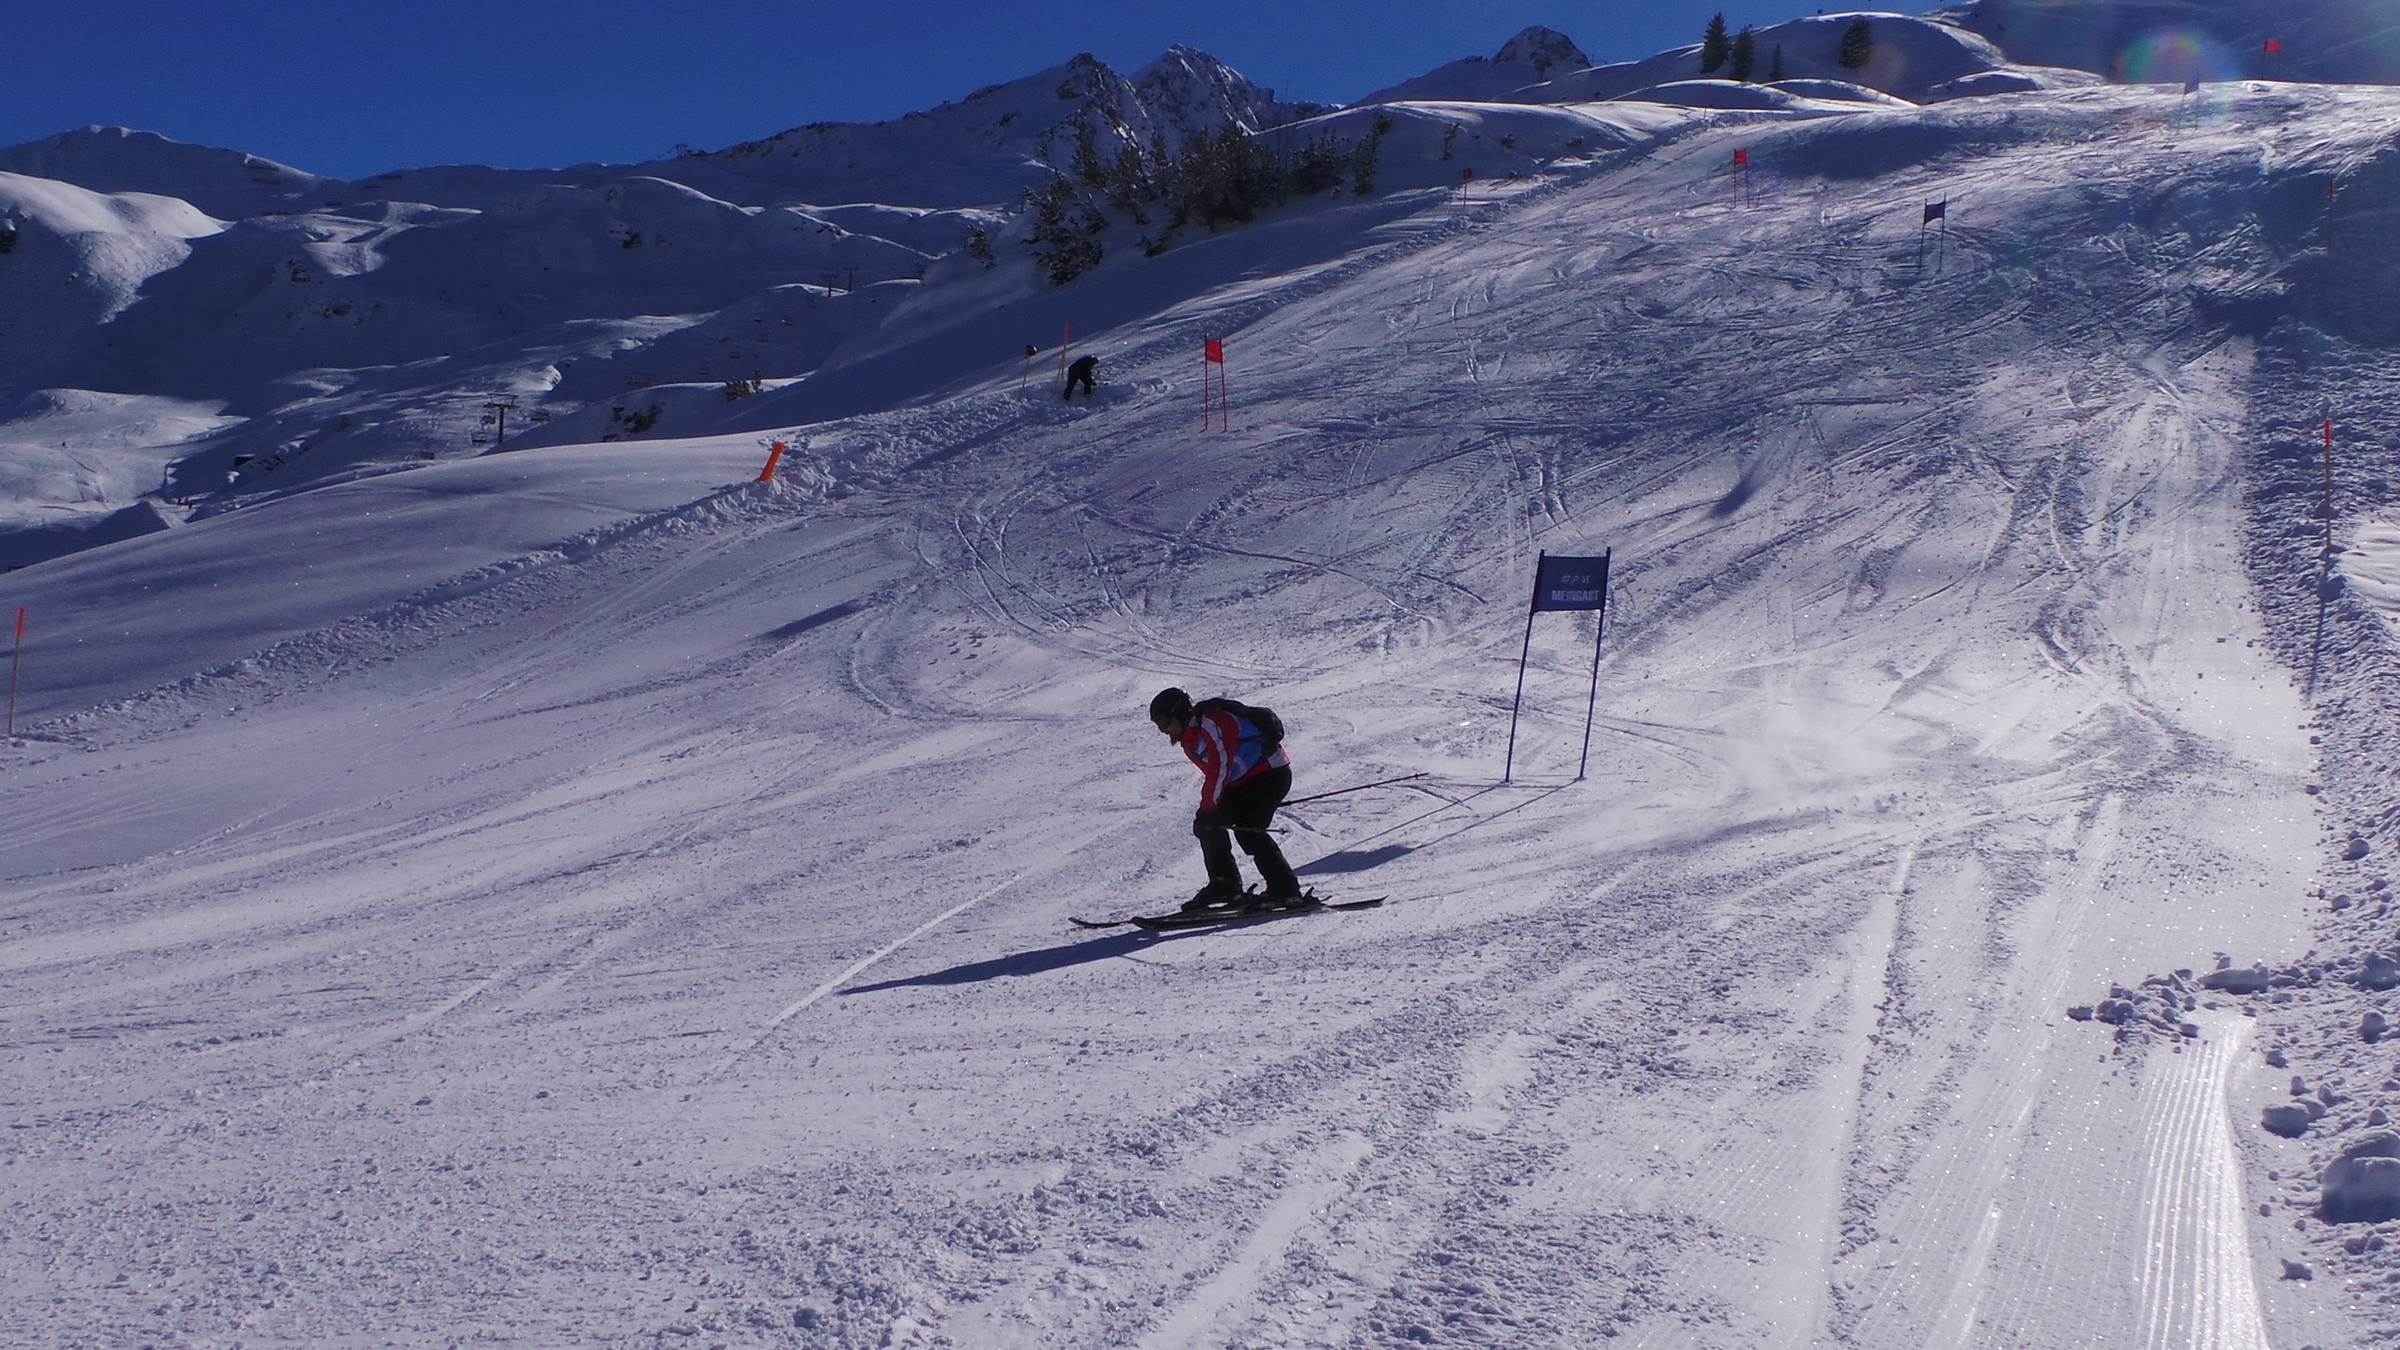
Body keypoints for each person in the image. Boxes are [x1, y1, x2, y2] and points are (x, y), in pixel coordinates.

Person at [1149, 687, 1304, 911]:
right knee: (1207, 826)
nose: (1164, 730)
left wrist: (1209, 807)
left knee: (1248, 829)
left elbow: (1219, 767)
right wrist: (1209, 813)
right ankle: (1225, 884)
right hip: (1242, 782)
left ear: (1179, 712)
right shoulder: (1190, 741)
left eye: (1164, 722)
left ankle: (1286, 889)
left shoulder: (1211, 722)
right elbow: (1218, 775)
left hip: (1270, 773)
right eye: (1158, 725)